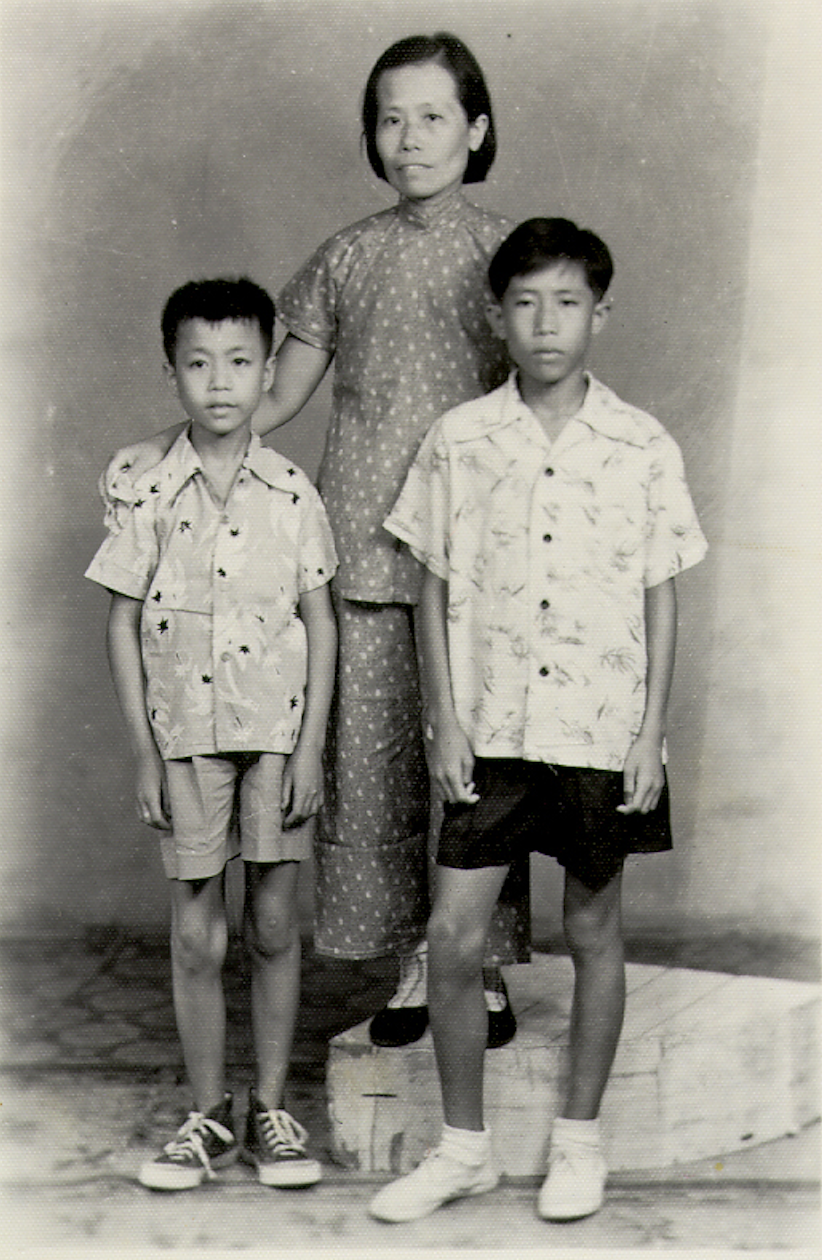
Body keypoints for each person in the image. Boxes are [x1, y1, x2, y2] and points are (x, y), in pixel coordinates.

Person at [101, 33, 530, 1049]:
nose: (410, 137)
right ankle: (415, 966)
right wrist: (165, 454)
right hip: (363, 549)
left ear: (476, 129)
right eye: (390, 118)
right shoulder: (345, 255)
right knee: (377, 768)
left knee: (471, 774)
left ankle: (482, 964)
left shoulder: (501, 253)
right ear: (370, 135)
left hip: (472, 562)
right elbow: (270, 396)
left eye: (432, 117)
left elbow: (533, 392)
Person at [370, 218, 708, 1223]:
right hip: (494, 727)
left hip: (601, 729)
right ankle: (463, 1149)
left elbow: (662, 595)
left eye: (566, 302)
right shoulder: (460, 440)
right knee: (452, 935)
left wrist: (649, 734)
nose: (545, 323)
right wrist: (443, 719)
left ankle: (579, 1143)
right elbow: (430, 586)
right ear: (495, 315)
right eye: (523, 302)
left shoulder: (642, 444)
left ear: (600, 313)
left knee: (594, 927)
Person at [86, 278, 338, 1191]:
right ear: (172, 374)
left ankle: (271, 1108)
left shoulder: (291, 491)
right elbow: (120, 621)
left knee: (274, 924)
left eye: (239, 362)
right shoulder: (149, 489)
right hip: (186, 739)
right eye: (198, 364)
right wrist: (146, 753)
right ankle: (207, 1114)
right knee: (199, 936)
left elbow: (322, 620)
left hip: (274, 739)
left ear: (269, 369)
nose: (220, 383)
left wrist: (309, 749)